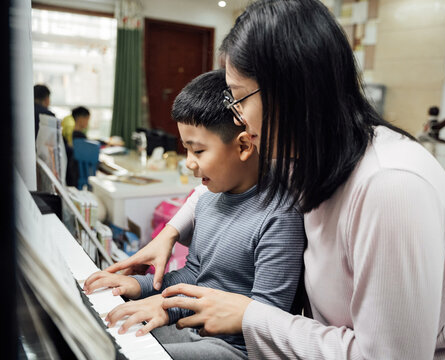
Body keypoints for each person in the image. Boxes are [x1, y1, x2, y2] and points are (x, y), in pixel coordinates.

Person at [104, 0, 445, 358]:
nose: (236, 117)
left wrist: (250, 315)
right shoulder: (299, 150)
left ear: (289, 94)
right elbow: (211, 191)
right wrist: (170, 233)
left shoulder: (391, 188)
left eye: (238, 97)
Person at [83, 69, 306, 360]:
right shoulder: (208, 201)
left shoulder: (279, 218)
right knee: (110, 331)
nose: (189, 163)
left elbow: (264, 319)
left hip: (238, 349)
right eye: (186, 149)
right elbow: (195, 274)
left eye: (198, 151)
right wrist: (139, 286)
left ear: (242, 145)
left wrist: (167, 306)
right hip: (193, 328)